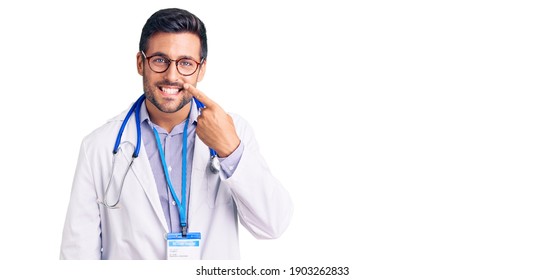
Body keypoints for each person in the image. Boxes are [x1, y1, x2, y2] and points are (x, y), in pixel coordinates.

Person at [60, 8, 293, 260]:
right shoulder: (100, 146)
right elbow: (77, 256)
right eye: (160, 60)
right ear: (140, 63)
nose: (172, 76)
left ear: (201, 69)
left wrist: (230, 151)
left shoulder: (233, 132)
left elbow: (273, 225)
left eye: (185, 63)